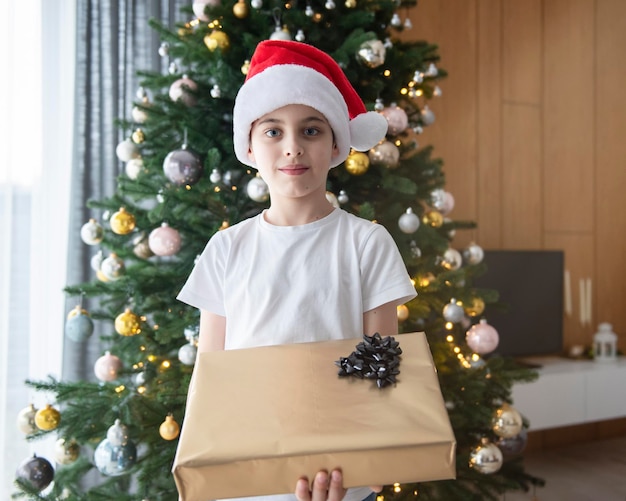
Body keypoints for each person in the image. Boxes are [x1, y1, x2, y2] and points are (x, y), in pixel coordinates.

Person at [177, 39, 417, 501]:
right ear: (248, 143)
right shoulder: (226, 248)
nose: (293, 149)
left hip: (341, 477)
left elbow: (383, 362)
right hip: (246, 481)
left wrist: (372, 467)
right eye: (273, 131)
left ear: (335, 145)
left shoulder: (367, 243)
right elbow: (211, 374)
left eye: (311, 131)